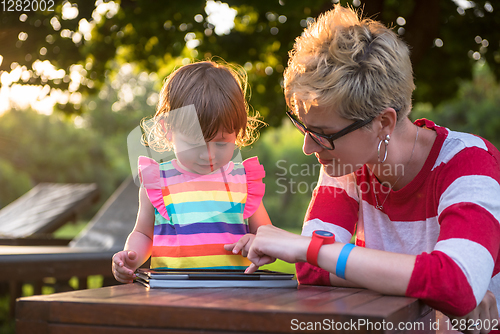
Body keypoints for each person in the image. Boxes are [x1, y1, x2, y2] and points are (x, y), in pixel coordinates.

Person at [225, 4, 500, 332]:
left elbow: (457, 285)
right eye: (305, 128)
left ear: (383, 122)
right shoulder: (346, 163)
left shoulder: (470, 163)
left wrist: (312, 249)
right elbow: (314, 273)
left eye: (324, 135)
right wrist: (433, 288)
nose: (308, 148)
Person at [113, 60, 271, 283]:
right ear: (167, 129)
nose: (208, 155)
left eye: (221, 143)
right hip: (172, 293)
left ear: (238, 132)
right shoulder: (158, 181)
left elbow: (267, 236)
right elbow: (143, 234)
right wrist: (131, 257)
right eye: (195, 143)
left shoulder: (243, 181)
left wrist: (257, 243)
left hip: (236, 292)